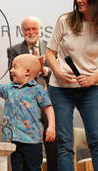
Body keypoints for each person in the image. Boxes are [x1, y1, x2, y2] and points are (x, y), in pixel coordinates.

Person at [45, 0, 98, 171]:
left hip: (90, 90)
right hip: (60, 89)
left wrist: (92, 79)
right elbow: (49, 53)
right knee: (65, 145)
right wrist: (58, 73)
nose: (78, 0)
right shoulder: (65, 20)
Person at [0, 54, 56, 171]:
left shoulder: (37, 89)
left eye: (14, 67)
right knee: (16, 168)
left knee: (33, 168)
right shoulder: (10, 88)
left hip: (32, 141)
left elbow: (48, 107)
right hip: (14, 140)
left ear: (27, 71)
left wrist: (51, 126)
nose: (11, 70)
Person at [7, 16, 58, 171]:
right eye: (27, 29)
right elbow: (12, 76)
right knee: (26, 151)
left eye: (34, 28)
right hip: (25, 106)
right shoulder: (14, 50)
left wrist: (44, 70)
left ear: (39, 29)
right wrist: (32, 70)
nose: (31, 32)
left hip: (48, 100)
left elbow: (57, 73)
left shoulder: (50, 48)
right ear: (22, 31)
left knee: (52, 145)